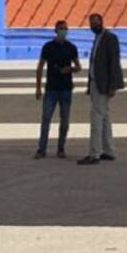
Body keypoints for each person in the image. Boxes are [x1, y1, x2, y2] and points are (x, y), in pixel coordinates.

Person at [78, 12, 125, 166]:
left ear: (101, 22)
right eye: (91, 23)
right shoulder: (97, 38)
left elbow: (114, 63)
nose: (93, 25)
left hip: (102, 84)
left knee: (96, 118)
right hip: (95, 83)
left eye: (96, 22)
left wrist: (112, 86)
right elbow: (94, 64)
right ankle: (109, 150)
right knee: (105, 117)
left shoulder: (110, 38)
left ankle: (94, 153)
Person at [35, 20, 81, 159]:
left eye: (65, 28)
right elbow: (40, 66)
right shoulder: (48, 47)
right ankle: (41, 149)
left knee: (65, 121)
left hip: (66, 89)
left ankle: (61, 148)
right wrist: (38, 87)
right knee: (46, 119)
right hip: (51, 89)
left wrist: (70, 69)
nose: (63, 31)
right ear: (55, 30)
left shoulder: (71, 47)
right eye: (61, 28)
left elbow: (78, 67)